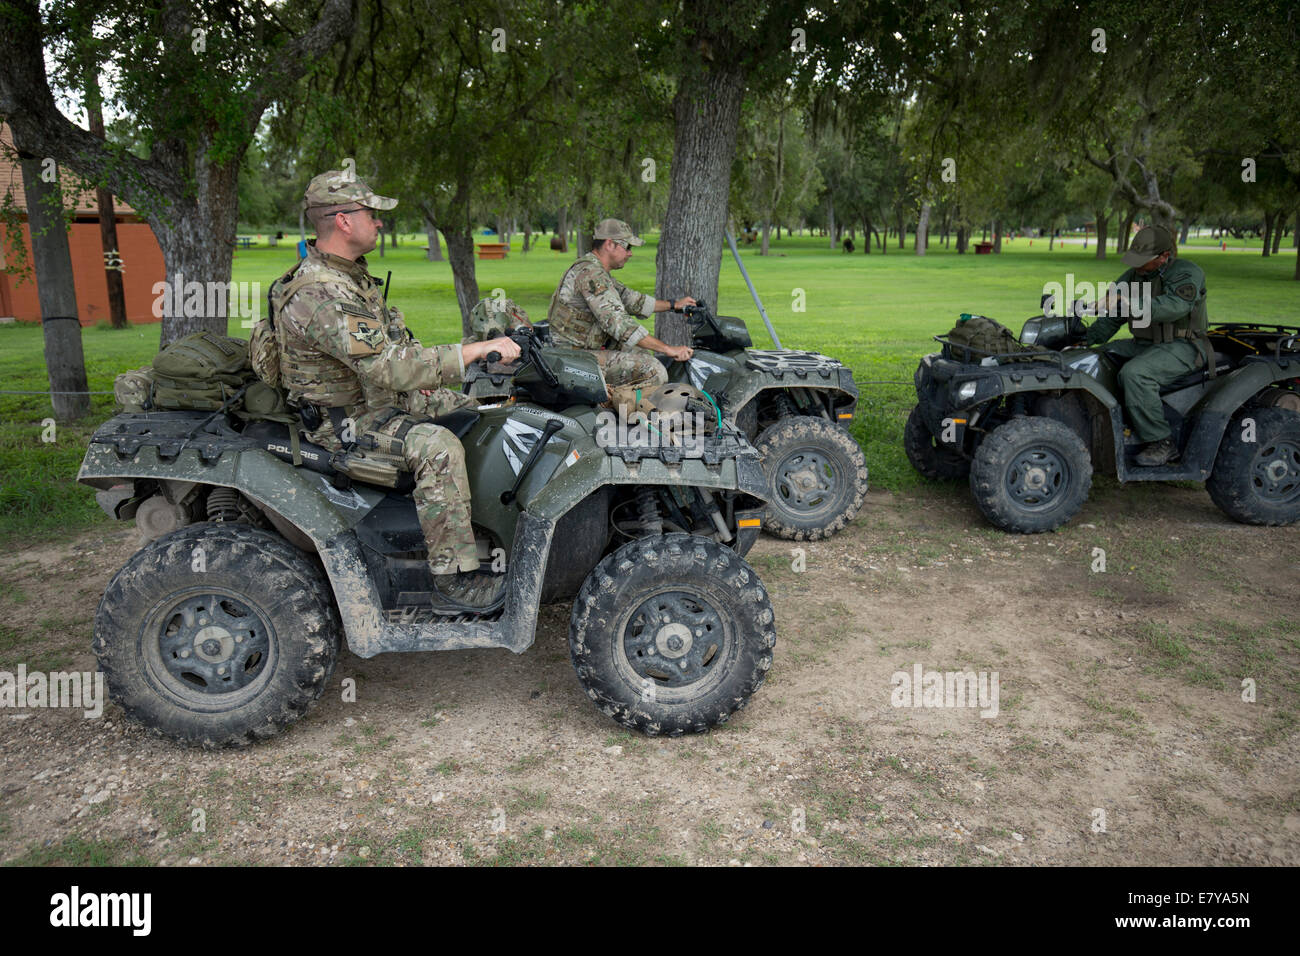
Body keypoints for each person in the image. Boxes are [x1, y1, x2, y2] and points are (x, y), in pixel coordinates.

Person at [268, 170, 521, 603]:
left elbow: (394, 351)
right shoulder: (323, 292)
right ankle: (455, 578)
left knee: (488, 405)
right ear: (343, 220)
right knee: (438, 447)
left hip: (378, 400)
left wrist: (456, 374)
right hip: (347, 424)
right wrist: (476, 351)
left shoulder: (349, 278)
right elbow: (389, 367)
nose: (379, 222)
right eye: (371, 214)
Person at [1085, 224, 1210, 466]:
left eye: (1144, 260)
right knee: (1093, 358)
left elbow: (1174, 306)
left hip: (1184, 345)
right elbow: (1112, 317)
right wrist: (1085, 339)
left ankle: (1162, 442)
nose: (1138, 265)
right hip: (1144, 343)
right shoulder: (1134, 276)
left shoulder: (1186, 272)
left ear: (1164, 256)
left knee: (1136, 374)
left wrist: (1129, 301)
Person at [547, 218, 696, 409]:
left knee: (640, 353)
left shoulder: (594, 270)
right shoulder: (591, 274)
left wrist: (674, 305)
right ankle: (612, 413)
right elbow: (619, 324)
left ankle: (618, 406)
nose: (630, 253)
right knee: (654, 370)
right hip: (574, 357)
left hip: (581, 351)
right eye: (627, 247)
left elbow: (631, 299)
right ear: (610, 244)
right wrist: (668, 349)